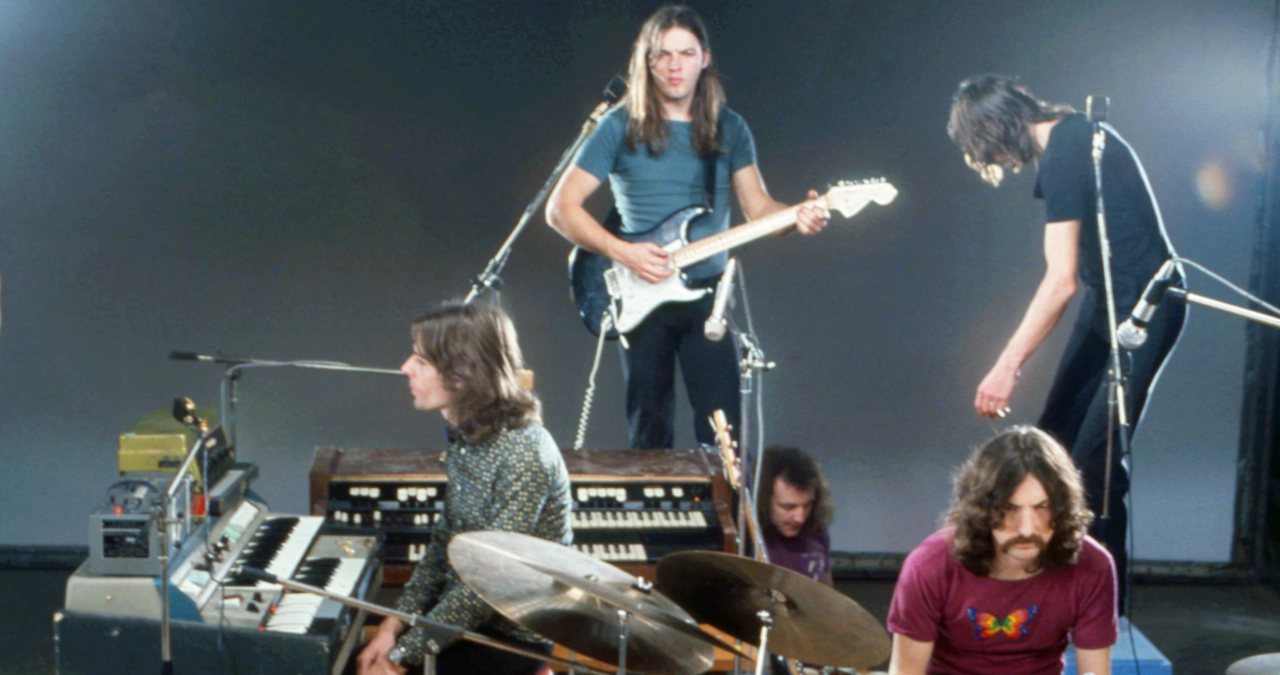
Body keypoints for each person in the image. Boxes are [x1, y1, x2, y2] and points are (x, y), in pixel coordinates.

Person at [948, 74, 1185, 613]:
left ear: (994, 127)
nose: (996, 159)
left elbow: (1060, 281)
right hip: (1107, 307)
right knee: (1052, 447)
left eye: (984, 145)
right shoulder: (1067, 142)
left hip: (1146, 309)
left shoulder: (1067, 150)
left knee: (1096, 464)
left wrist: (1006, 365)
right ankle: (1047, 591)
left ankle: (1103, 614)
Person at [547, 4, 829, 449]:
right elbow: (561, 209)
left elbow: (759, 209)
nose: (675, 65)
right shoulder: (618, 125)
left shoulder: (729, 128)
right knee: (649, 435)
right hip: (641, 291)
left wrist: (798, 216)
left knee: (724, 437)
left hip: (707, 299)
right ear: (647, 61)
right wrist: (623, 252)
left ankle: (722, 498)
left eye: (686, 53)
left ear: (705, 58)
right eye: (663, 54)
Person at [356, 303, 572, 675]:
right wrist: (393, 624)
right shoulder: (469, 437)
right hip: (462, 619)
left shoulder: (525, 453)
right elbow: (444, 544)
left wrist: (402, 656)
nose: (405, 368)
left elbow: (491, 585)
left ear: (462, 374)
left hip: (510, 637)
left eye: (421, 360)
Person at [887, 427, 1116, 675]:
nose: (1027, 529)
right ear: (981, 509)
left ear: (1063, 508)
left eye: (1043, 507)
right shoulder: (929, 564)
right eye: (1008, 508)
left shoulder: (1092, 564)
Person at [757, 446, 835, 585]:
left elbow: (827, 593)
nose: (800, 518)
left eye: (807, 505)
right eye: (788, 507)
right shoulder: (748, 539)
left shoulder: (816, 531)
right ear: (764, 501)